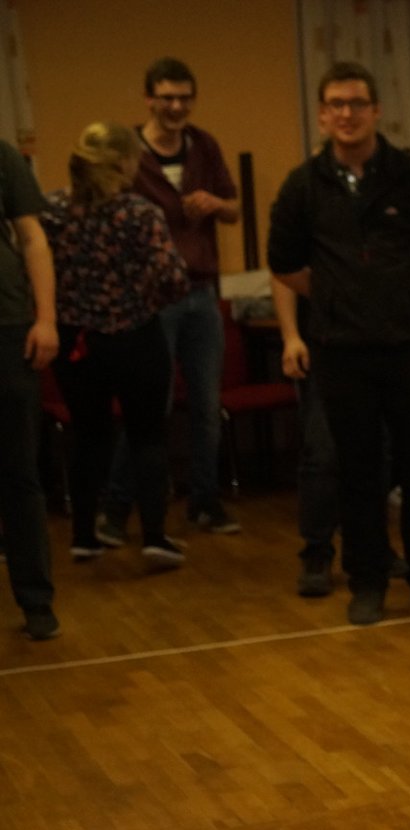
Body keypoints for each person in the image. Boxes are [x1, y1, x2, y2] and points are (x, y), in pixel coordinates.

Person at [267, 61, 410, 626]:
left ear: (377, 110)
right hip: (341, 349)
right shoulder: (303, 184)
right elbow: (283, 264)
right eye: (336, 104)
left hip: (409, 344)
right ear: (322, 114)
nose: (347, 114)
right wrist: (339, 297)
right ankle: (368, 580)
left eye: (357, 103)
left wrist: (408, 295)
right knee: (356, 469)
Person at [94, 58, 241, 543]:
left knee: (206, 405)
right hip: (150, 300)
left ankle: (205, 501)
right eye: (167, 98)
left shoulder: (205, 145)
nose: (176, 107)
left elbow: (234, 207)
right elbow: (104, 210)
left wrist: (215, 204)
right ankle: (117, 507)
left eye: (184, 98)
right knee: (148, 406)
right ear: (149, 99)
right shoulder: (129, 151)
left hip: (202, 292)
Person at [41, 122, 191, 570]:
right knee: (147, 436)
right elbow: (173, 278)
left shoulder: (52, 210)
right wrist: (147, 296)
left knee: (89, 436)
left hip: (76, 344)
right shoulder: (139, 213)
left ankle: (84, 537)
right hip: (135, 337)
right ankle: (154, 537)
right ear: (126, 162)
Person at [0, 137, 60, 640]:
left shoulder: (2, 156)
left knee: (19, 472)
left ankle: (36, 600)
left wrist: (46, 318)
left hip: (8, 325)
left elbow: (32, 237)